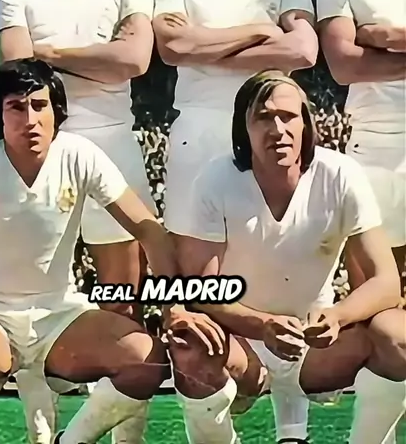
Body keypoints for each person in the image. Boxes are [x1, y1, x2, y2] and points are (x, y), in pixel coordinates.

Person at [0, 58, 222, 444]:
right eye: (16, 107)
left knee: (146, 361)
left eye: (39, 106)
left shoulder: (79, 154)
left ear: (57, 112)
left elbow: (149, 230)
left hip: (59, 316)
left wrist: (175, 307)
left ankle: (72, 440)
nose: (30, 119)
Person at [153, 0, 318, 442]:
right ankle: (215, 405)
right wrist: (256, 32)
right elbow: (173, 47)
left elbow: (303, 49)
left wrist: (208, 47)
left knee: (283, 258)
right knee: (196, 276)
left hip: (270, 126)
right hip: (199, 129)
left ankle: (291, 418)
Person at [0, 0, 157, 444]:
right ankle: (42, 430)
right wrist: (98, 56)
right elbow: (17, 68)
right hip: (40, 153)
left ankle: (122, 437)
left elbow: (135, 60)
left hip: (114, 145)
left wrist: (50, 52)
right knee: (33, 307)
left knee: (124, 304)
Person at [168, 70, 406, 444]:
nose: (277, 129)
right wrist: (263, 325)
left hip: (317, 345)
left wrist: (338, 316)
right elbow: (201, 290)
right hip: (243, 343)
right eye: (263, 117)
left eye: (288, 116)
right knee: (189, 347)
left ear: (306, 124)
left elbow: (387, 282)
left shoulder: (340, 174)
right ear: (243, 127)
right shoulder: (215, 179)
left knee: (398, 335)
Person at [316, 0, 406, 444]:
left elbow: (365, 50)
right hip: (375, 153)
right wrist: (366, 45)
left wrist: (387, 38)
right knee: (383, 314)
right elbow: (345, 64)